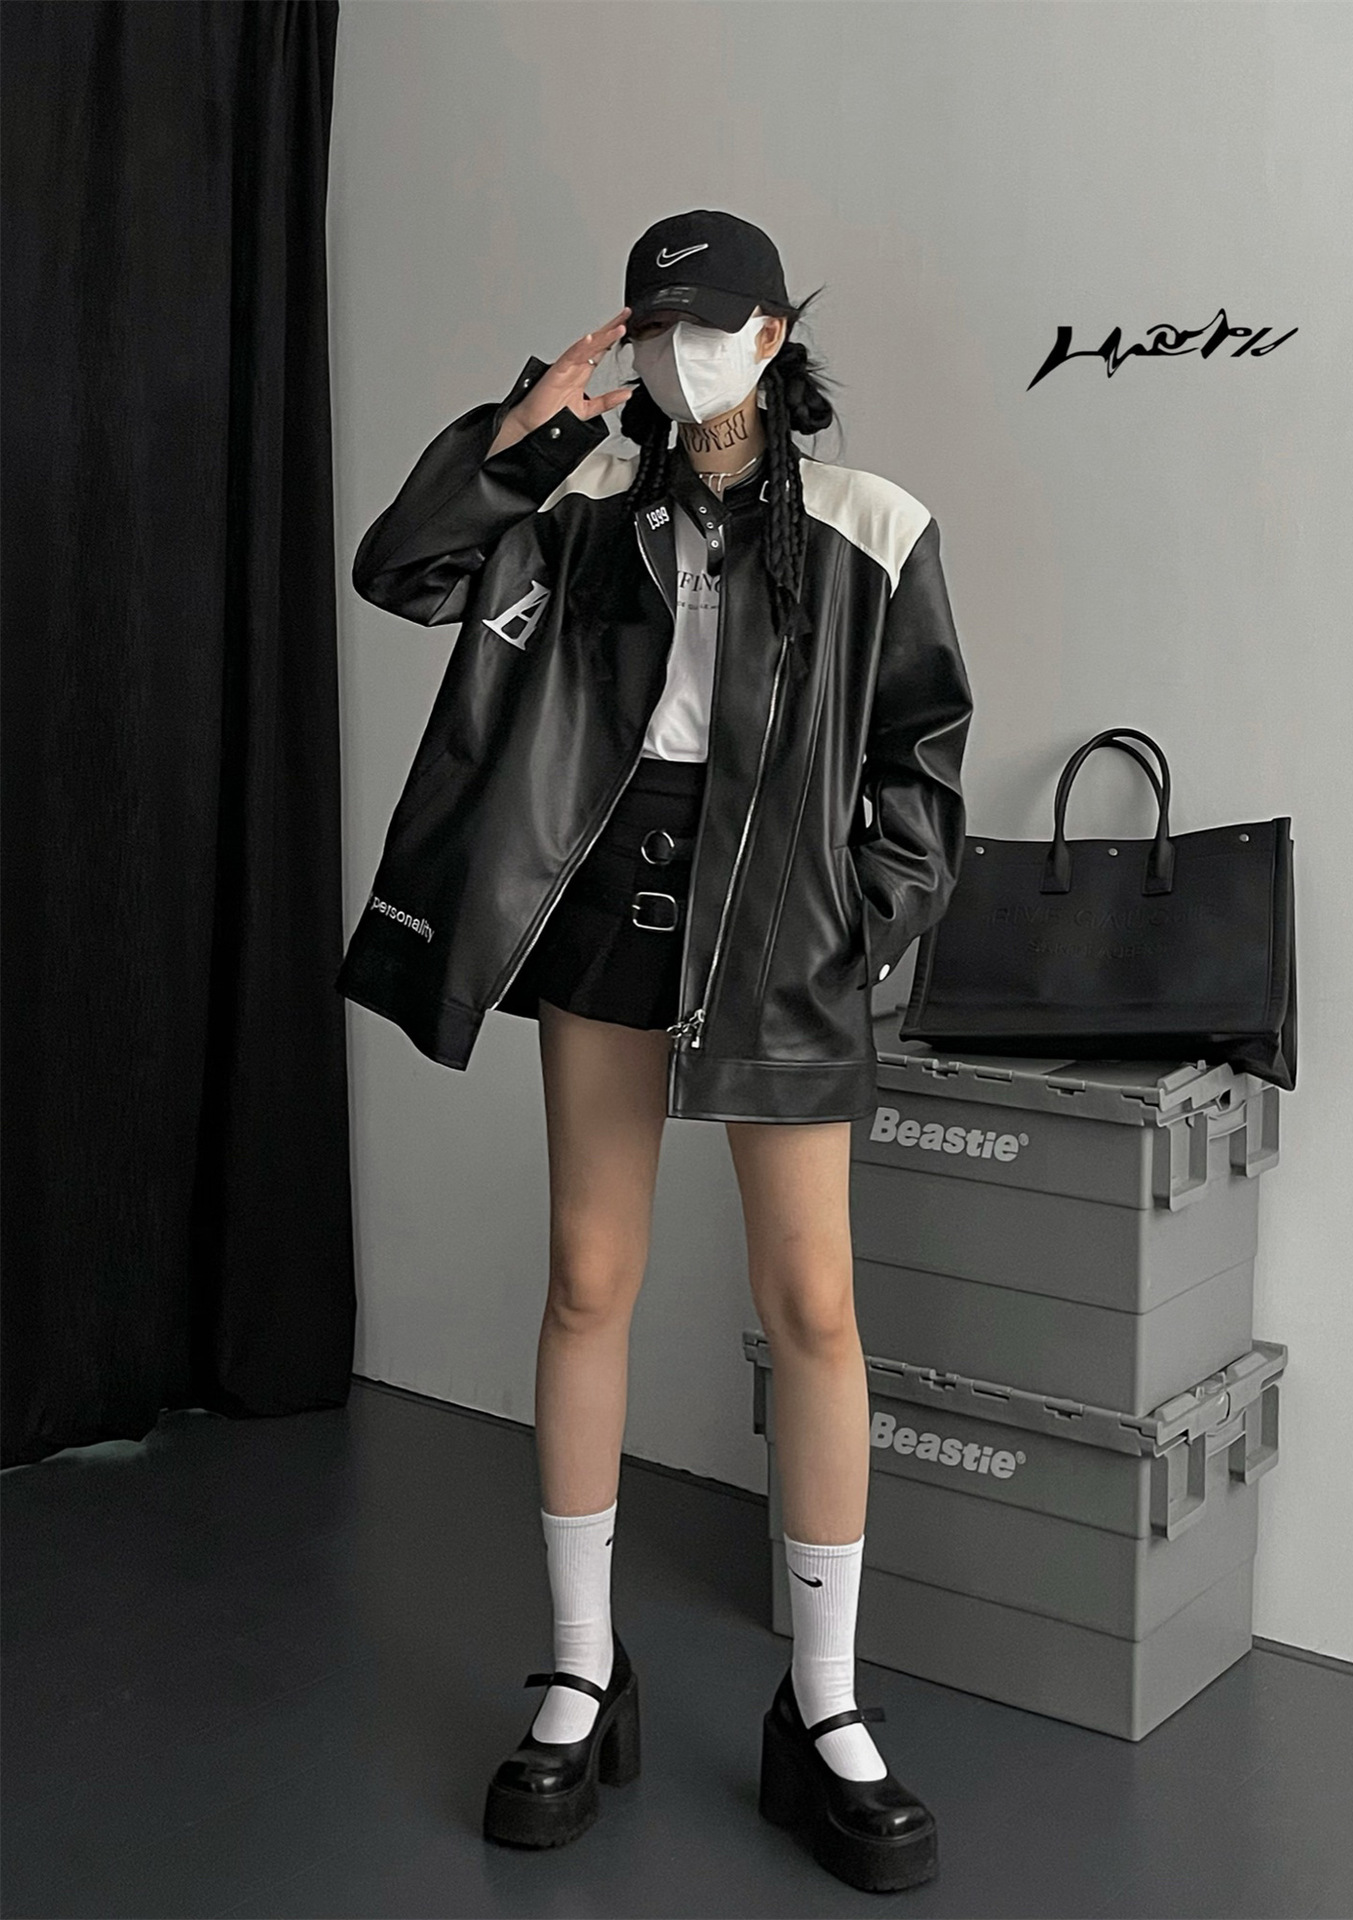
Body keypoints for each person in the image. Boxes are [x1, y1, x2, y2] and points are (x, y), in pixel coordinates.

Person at [342, 210, 972, 1895]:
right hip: (606, 899)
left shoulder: (871, 522)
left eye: (713, 324)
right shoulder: (579, 505)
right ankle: (578, 1673)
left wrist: (863, 917)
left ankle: (825, 1704)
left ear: (772, 336)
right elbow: (401, 572)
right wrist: (524, 434)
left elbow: (921, 751)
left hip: (782, 920)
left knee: (815, 1303)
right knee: (586, 1277)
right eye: (655, 327)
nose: (684, 354)